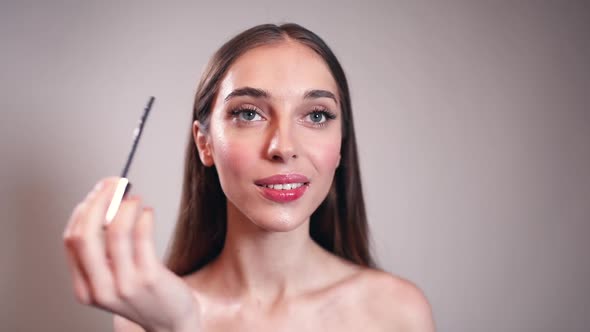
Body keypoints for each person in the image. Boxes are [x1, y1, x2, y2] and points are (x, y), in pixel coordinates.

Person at [62, 23, 435, 332]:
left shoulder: (397, 312)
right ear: (204, 143)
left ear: (340, 144)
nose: (283, 147)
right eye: (249, 114)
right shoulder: (146, 318)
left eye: (317, 115)